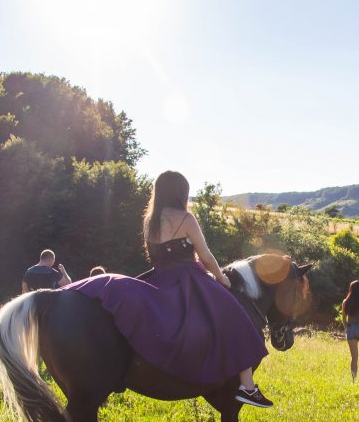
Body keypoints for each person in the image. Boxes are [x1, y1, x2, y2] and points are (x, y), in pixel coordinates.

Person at [66, 171, 273, 407]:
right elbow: (205, 256)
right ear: (181, 192)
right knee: (233, 313)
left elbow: (156, 256)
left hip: (160, 280)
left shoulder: (148, 221)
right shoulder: (186, 219)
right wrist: (221, 278)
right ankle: (247, 387)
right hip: (189, 280)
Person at [342, 280, 359, 380]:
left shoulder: (345, 302)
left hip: (351, 329)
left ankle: (353, 380)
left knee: (354, 358)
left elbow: (344, 320)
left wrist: (347, 329)